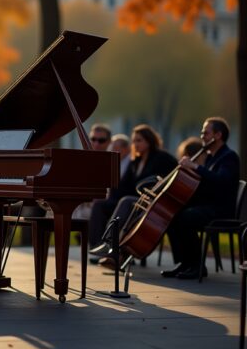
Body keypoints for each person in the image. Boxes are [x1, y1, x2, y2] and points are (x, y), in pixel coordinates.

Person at [161, 117, 240, 279]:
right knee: (171, 213)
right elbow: (205, 183)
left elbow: (221, 181)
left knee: (186, 217)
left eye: (206, 132)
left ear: (218, 135)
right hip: (208, 205)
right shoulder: (211, 156)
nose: (202, 136)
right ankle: (185, 262)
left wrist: (195, 167)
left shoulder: (229, 157)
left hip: (220, 210)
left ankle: (197, 266)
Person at [89, 125, 178, 261]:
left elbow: (174, 176)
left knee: (125, 201)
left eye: (139, 140)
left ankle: (110, 245)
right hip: (134, 202)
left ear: (149, 141)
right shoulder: (135, 161)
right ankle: (98, 247)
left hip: (151, 204)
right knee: (100, 205)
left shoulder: (162, 157)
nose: (135, 144)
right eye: (134, 141)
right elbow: (123, 186)